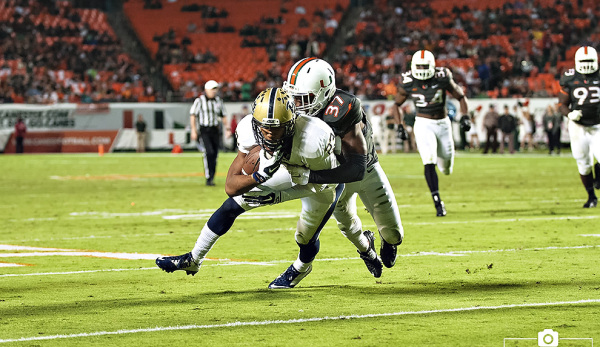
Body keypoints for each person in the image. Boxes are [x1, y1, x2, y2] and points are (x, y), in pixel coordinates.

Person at [157, 88, 344, 289]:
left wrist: (277, 195)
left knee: (304, 236)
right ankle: (194, 259)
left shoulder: (313, 138)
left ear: (290, 124)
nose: (270, 134)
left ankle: (301, 267)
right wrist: (258, 176)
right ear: (255, 123)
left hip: (319, 181)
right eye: (265, 128)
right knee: (232, 205)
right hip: (281, 168)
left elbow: (335, 180)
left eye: (278, 128)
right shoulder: (247, 128)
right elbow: (230, 185)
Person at [284, 57, 404, 273]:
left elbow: (356, 169)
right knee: (347, 225)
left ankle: (388, 241)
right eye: (295, 98)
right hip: (335, 179)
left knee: (394, 233)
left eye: (304, 98)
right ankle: (367, 249)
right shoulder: (300, 112)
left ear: (324, 92)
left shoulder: (343, 109)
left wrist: (308, 176)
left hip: (365, 172)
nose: (298, 105)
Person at [393, 50, 471, 217]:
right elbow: (396, 105)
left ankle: (442, 174)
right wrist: (399, 125)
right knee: (429, 160)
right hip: (423, 123)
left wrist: (465, 116)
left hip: (443, 124)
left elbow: (461, 96)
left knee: (446, 168)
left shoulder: (442, 76)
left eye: (424, 66)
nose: (421, 68)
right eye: (418, 66)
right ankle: (437, 203)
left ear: (432, 66)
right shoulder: (407, 81)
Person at [558, 45, 600, 208]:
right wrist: (569, 114)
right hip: (578, 127)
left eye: (590, 60)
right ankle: (591, 197)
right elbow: (562, 104)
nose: (587, 64)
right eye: (584, 61)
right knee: (583, 163)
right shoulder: (569, 77)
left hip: (598, 125)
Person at [190, 80, 229, 186]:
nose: (214, 91)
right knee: (209, 152)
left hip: (215, 130)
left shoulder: (218, 101)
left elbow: (223, 115)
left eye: (215, 89)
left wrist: (228, 129)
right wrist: (193, 130)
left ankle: (212, 176)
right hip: (204, 130)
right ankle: (208, 177)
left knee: (215, 154)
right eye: (212, 89)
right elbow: (193, 115)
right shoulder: (199, 101)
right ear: (206, 90)